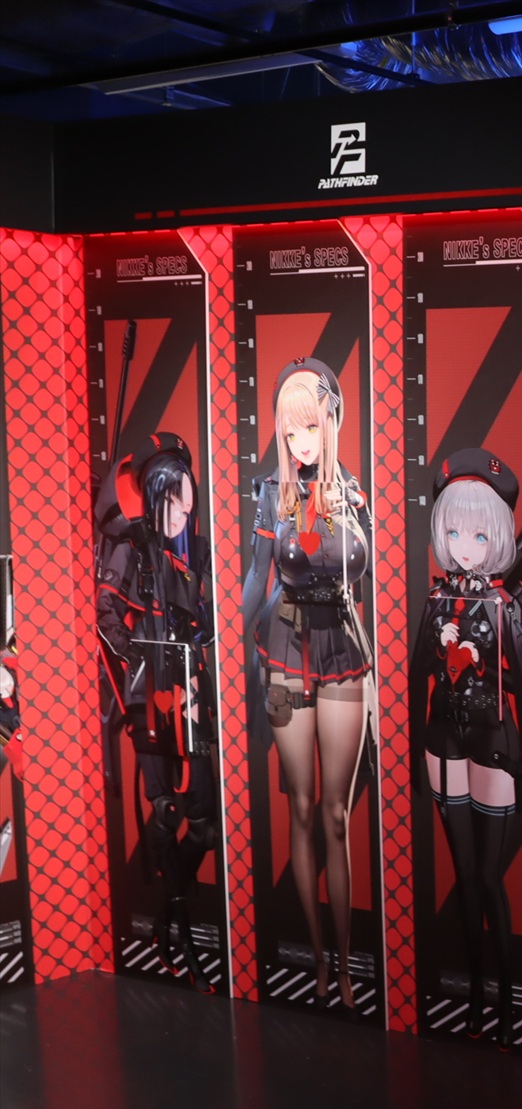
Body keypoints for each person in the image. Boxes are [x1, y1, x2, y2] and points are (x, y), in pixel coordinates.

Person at [241, 357, 372, 1009]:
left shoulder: (356, 495)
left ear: (333, 420)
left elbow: (367, 583)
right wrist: (228, 641)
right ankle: (319, 963)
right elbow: (255, 577)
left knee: (336, 815)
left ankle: (346, 967)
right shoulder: (273, 494)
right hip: (287, 649)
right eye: (289, 431)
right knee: (299, 805)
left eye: (310, 427)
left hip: (342, 648)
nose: (300, 442)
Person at [412, 448, 522, 1048]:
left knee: (490, 877)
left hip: (493, 740)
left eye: (477, 534)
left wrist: (488, 649)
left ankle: (504, 1005)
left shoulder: (503, 606)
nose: (465, 546)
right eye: (454, 532)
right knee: (465, 874)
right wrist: (442, 641)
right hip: (443, 738)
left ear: (495, 535)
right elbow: (418, 673)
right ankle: (473, 998)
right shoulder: (436, 601)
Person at [97, 435, 219, 993]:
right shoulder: (132, 549)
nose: (182, 516)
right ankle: (183, 945)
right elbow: (105, 613)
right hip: (149, 699)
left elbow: (202, 624)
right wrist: (140, 660)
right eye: (174, 505)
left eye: (188, 507)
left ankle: (168, 922)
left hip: (188, 697)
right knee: (166, 810)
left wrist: (197, 645)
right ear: (153, 496)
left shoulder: (189, 556)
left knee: (204, 823)